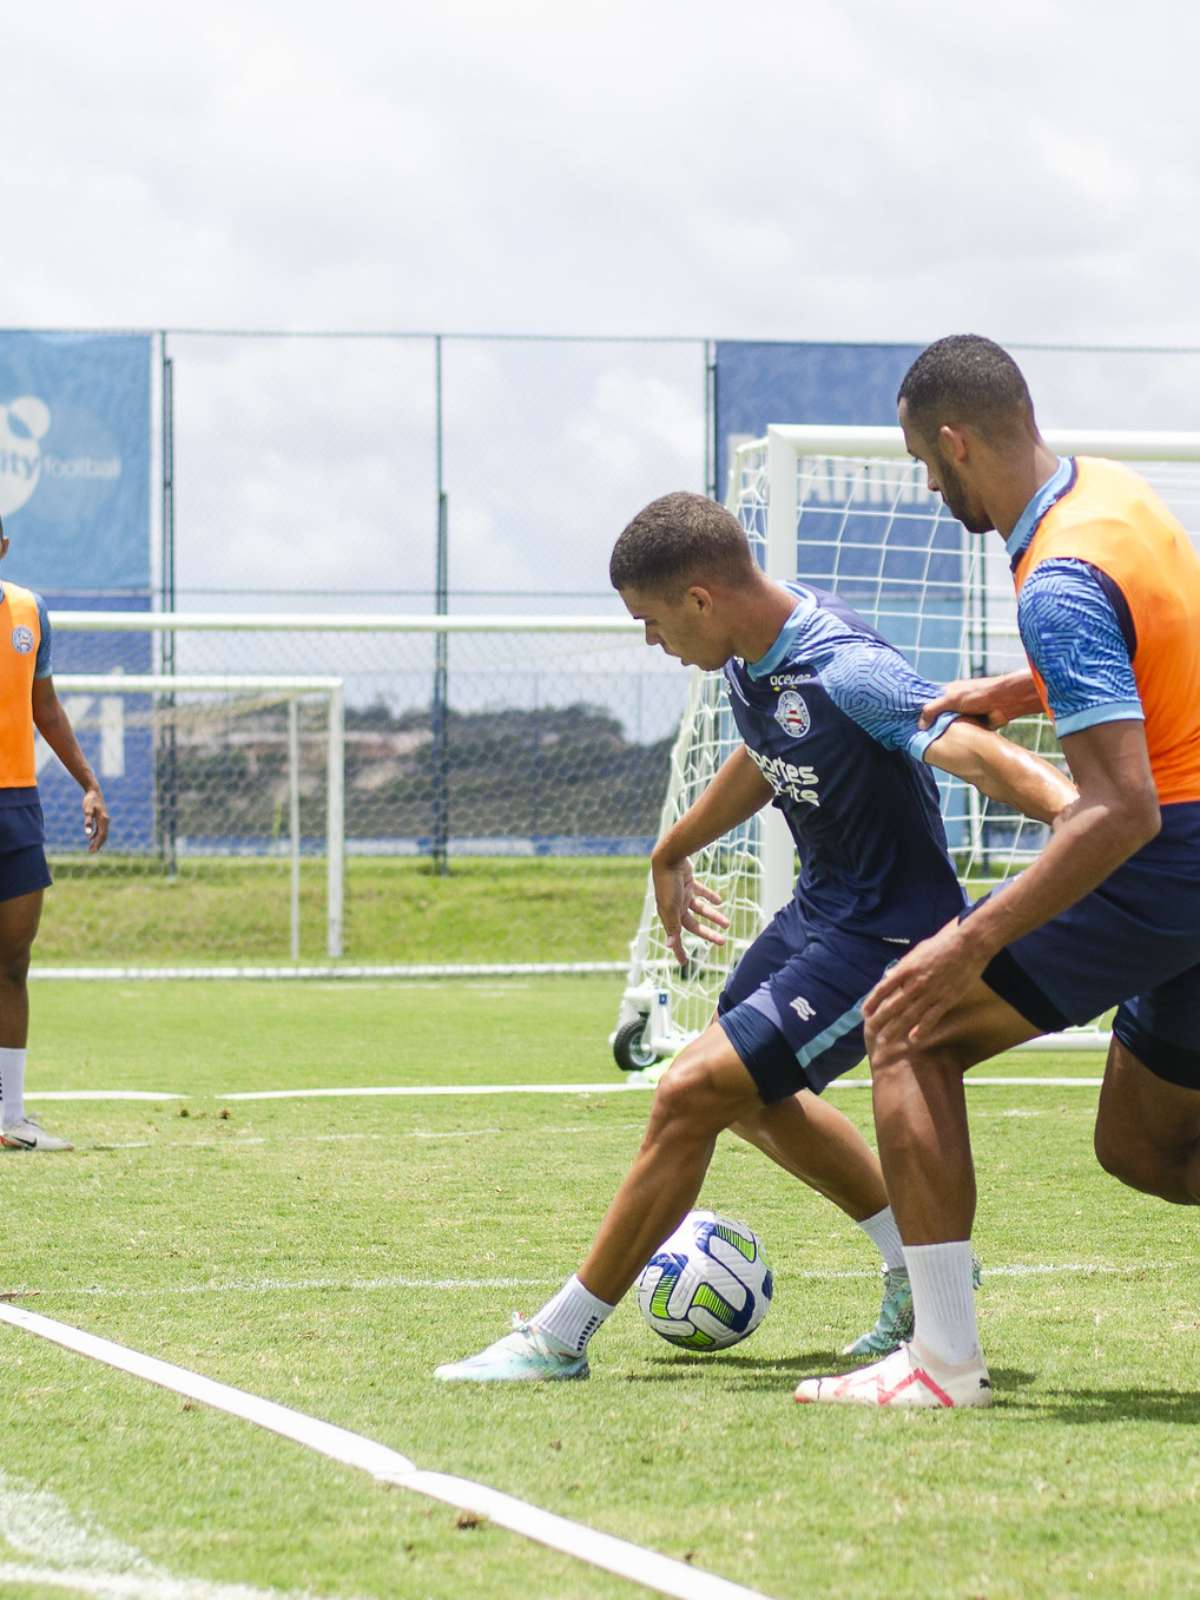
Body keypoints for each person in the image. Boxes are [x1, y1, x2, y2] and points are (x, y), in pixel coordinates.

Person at [434, 489, 1074, 1383]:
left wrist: (1073, 814)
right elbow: (766, 751)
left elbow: (963, 742)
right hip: (824, 911)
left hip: (890, 934)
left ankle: (556, 1338)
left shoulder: (842, 666)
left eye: (652, 623)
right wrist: (675, 847)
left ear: (700, 598)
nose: (654, 644)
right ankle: (918, 1266)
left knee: (688, 1090)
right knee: (739, 1094)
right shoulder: (746, 655)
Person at [796, 333, 1200, 1410]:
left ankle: (942, 1363)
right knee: (1144, 1146)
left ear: (957, 440)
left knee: (908, 1023)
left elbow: (1119, 811)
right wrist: (1023, 691)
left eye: (928, 467)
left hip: (1175, 859)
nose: (932, 489)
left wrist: (964, 941)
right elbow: (1162, 633)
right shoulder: (1109, 498)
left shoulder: (1056, 580)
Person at [0, 514, 109, 1151]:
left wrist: (88, 783)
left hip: (16, 806)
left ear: (4, 544)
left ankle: (11, 1118)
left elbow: (45, 706)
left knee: (12, 964)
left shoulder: (29, 611)